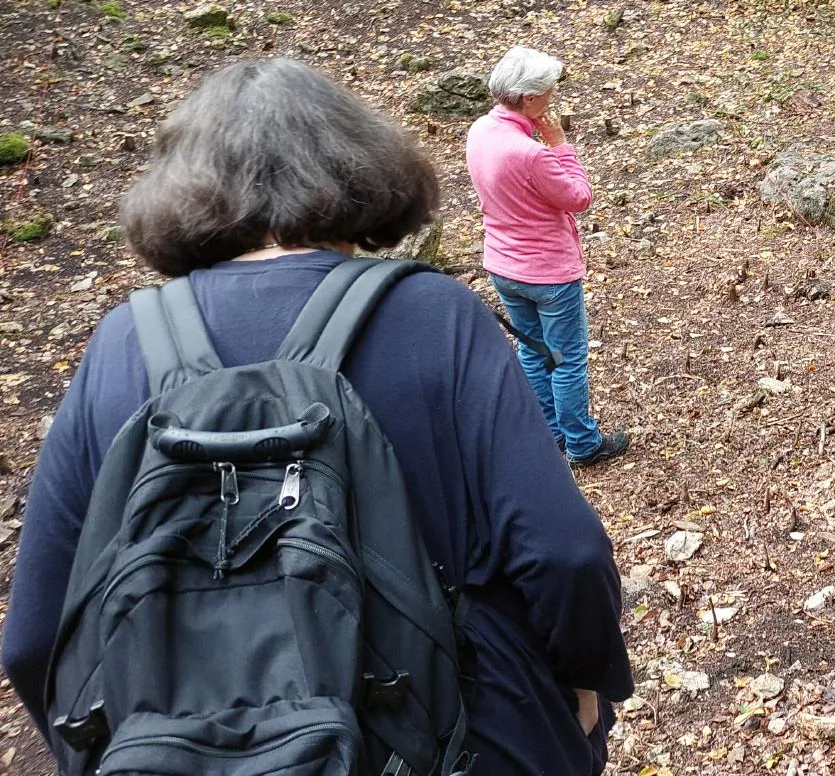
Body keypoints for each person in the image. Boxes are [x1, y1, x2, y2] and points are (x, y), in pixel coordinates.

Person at [1, 59, 634, 774]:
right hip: (457, 731)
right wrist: (586, 684)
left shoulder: (121, 345)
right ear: (359, 167)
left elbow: (35, 638)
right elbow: (564, 552)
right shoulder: (435, 316)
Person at [467, 46, 629, 467]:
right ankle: (583, 443)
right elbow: (579, 197)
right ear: (529, 98)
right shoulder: (531, 154)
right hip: (548, 273)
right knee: (567, 360)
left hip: (503, 265)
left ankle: (549, 432)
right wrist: (559, 143)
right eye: (548, 91)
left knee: (534, 351)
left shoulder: (480, 130)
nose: (553, 96)